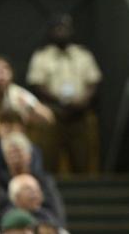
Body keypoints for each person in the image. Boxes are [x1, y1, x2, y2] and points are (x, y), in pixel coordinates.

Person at [26, 14, 101, 173]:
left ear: (71, 31)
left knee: (82, 160)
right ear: (51, 32)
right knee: (49, 160)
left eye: (65, 28)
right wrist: (60, 101)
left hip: (79, 115)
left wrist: (82, 102)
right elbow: (37, 85)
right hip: (53, 115)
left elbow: (93, 82)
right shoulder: (42, 56)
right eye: (57, 28)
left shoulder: (83, 54)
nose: (61, 32)